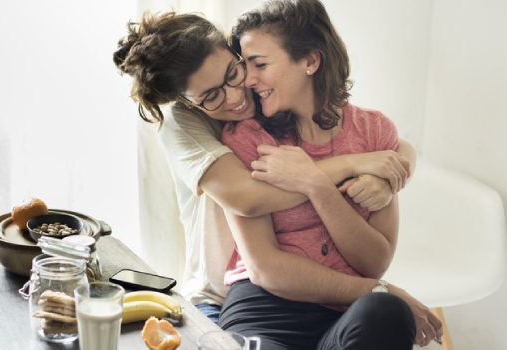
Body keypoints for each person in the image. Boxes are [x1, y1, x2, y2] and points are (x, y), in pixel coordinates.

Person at [112, 8, 423, 331]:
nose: (236, 96)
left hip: (320, 294)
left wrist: (386, 177)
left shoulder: (268, 99)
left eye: (235, 72)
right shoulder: (185, 123)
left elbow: (390, 146)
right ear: (190, 102)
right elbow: (248, 198)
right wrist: (345, 167)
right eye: (211, 97)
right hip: (220, 294)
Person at [216, 0, 442, 348]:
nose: (248, 79)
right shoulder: (248, 137)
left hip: (345, 314)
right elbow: (265, 270)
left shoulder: (373, 133)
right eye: (245, 66)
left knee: (387, 312)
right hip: (265, 308)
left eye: (259, 64)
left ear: (310, 60)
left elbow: (374, 262)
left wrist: (317, 184)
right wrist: (378, 289)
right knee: (384, 299)